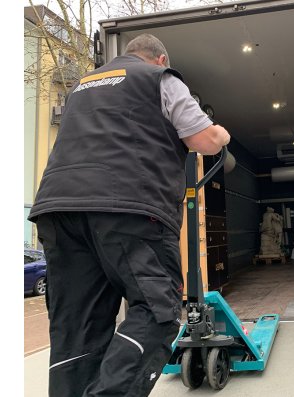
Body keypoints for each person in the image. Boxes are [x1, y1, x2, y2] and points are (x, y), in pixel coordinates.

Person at [28, 34, 231, 396]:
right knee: (159, 310)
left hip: (58, 210)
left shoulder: (80, 87)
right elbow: (203, 140)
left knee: (78, 325)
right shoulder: (159, 78)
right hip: (127, 207)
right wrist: (222, 134)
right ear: (160, 59)